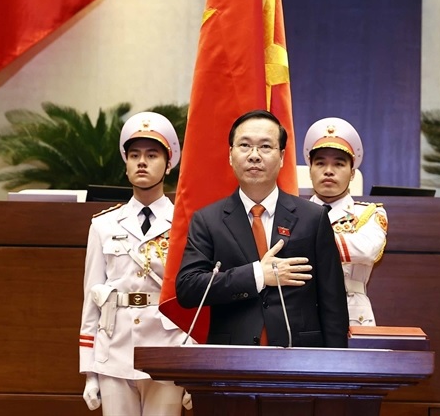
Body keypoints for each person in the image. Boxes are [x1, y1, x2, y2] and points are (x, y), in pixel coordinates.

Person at [175, 109, 349, 347]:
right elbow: (188, 289)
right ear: (230, 154)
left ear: (282, 157)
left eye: (265, 147)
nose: (254, 155)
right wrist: (257, 275)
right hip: (231, 359)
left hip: (300, 359)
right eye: (245, 145)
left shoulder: (313, 218)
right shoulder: (208, 220)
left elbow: (333, 305)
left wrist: (334, 371)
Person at [79, 112, 192, 415]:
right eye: (134, 155)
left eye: (152, 155)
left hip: (168, 347)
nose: (142, 162)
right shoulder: (103, 225)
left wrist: (194, 364)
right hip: (114, 350)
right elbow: (92, 299)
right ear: (126, 164)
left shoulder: (186, 224)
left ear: (169, 164)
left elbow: (195, 298)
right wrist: (89, 370)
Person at [303, 117, 387, 326]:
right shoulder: (292, 212)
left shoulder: (369, 213)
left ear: (351, 173)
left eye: (339, 164)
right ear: (310, 170)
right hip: (302, 311)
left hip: (352, 315)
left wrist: (305, 242)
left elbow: (367, 250)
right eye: (320, 163)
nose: (328, 170)